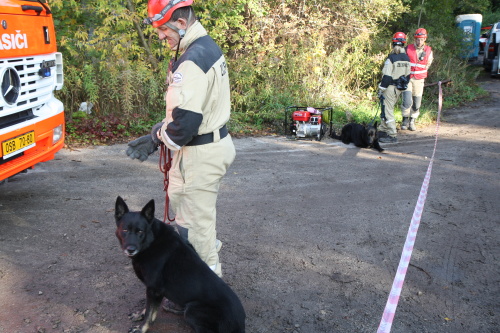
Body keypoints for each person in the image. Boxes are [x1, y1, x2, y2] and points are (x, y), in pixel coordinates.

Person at [126, 0, 235, 280]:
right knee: (200, 222)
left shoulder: (192, 61)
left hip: (198, 157)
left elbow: (184, 126)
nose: (161, 36)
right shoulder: (206, 48)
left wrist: (157, 138)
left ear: (182, 23)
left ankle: (209, 299)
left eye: (163, 29)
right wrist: (161, 129)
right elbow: (197, 108)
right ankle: (207, 277)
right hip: (212, 146)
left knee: (194, 231)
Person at [377, 32, 412, 144]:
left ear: (393, 43)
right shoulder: (407, 58)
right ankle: (383, 130)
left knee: (388, 111)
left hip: (389, 88)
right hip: (399, 88)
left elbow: (386, 76)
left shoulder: (391, 58)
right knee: (386, 108)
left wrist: (381, 89)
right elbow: (408, 76)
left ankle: (392, 134)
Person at [402, 28, 434, 131]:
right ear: (414, 39)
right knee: (407, 101)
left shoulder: (428, 51)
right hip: (408, 79)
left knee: (416, 103)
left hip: (419, 80)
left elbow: (428, 64)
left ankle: (412, 120)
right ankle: (405, 120)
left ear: (424, 39)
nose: (419, 41)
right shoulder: (407, 49)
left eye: (421, 39)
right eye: (417, 39)